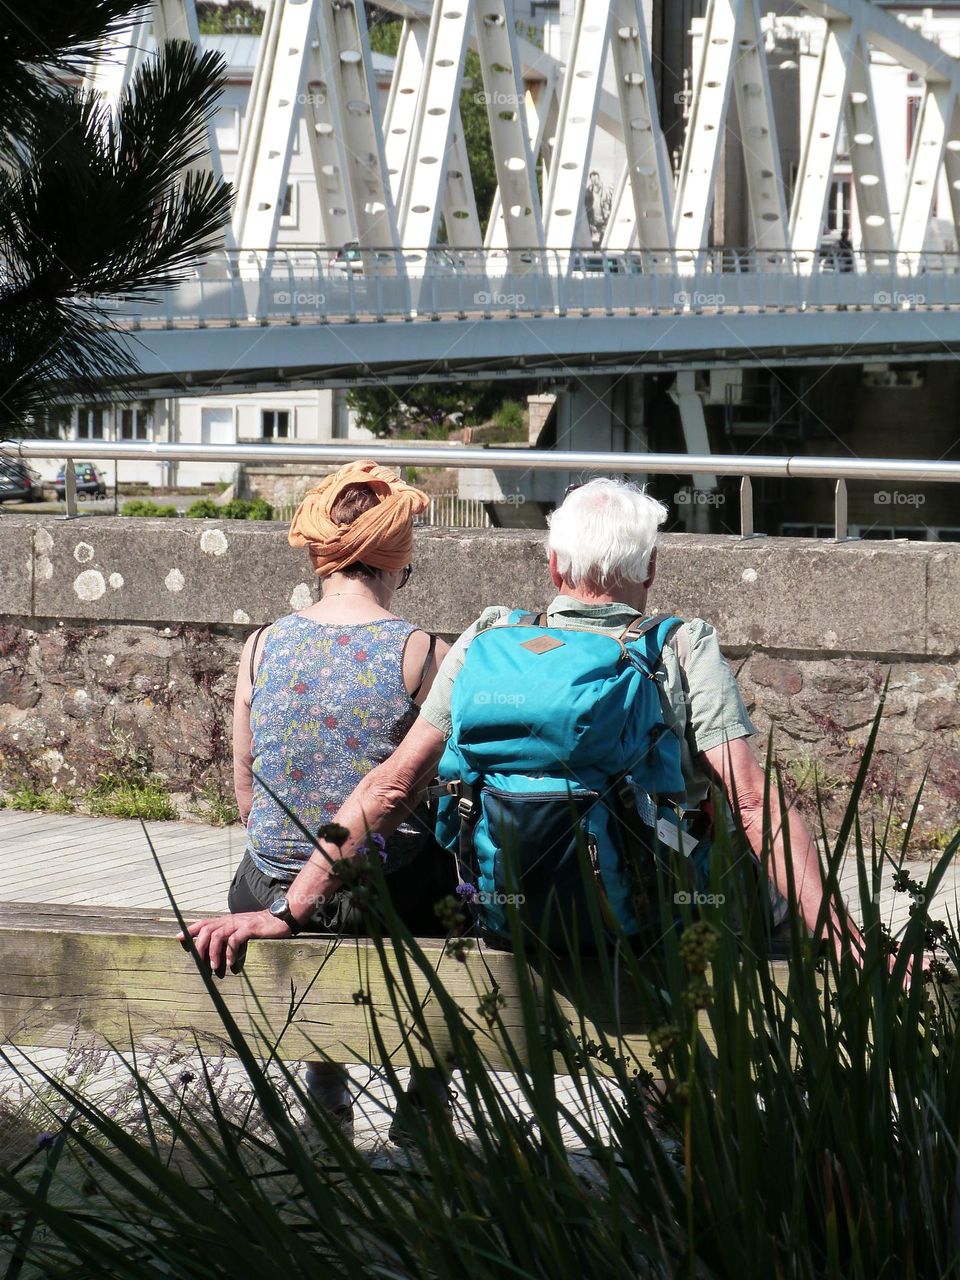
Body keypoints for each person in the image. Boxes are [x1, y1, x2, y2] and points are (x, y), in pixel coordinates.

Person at [184, 476, 862, 973]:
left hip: (511, 920)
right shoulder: (683, 645)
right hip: (649, 927)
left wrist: (286, 911)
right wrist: (848, 941)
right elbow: (752, 801)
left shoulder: (487, 638)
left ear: (554, 566)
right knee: (750, 886)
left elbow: (390, 788)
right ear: (650, 566)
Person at [207, 459, 451, 1124]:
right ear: (396, 559)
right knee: (461, 884)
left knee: (266, 858)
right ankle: (428, 1093)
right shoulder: (420, 651)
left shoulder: (261, 645)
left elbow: (247, 791)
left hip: (265, 892)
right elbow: (430, 781)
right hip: (385, 898)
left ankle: (327, 1081)